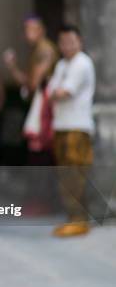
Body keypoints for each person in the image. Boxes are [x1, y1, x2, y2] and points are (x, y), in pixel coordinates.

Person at [48, 25, 95, 237]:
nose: (67, 46)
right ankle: (72, 217)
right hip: (61, 126)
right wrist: (56, 92)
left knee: (76, 174)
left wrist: (57, 92)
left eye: (71, 41)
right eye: (63, 42)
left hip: (78, 126)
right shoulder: (61, 64)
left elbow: (64, 92)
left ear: (80, 42)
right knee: (65, 175)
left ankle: (80, 220)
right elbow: (51, 92)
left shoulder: (82, 63)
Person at [3, 16, 59, 164]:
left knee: (42, 155)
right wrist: (13, 67)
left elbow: (33, 84)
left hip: (46, 109)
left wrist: (13, 67)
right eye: (25, 30)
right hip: (41, 106)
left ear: (41, 30)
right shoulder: (37, 50)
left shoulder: (44, 50)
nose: (26, 34)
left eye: (29, 29)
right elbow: (29, 82)